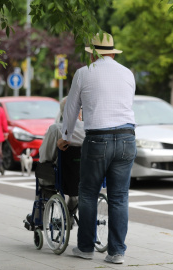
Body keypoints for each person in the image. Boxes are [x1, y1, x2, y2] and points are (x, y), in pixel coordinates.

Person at [57, 32, 136, 264]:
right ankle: (117, 252)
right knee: (120, 197)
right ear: (112, 52)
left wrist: (65, 137)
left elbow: (71, 109)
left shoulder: (83, 73)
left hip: (97, 139)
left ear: (93, 54)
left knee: (88, 192)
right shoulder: (127, 73)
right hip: (127, 137)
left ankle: (85, 248)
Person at [26, 96, 85, 227]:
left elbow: (45, 156)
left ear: (63, 112)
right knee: (76, 189)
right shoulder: (89, 130)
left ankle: (38, 219)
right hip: (86, 176)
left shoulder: (56, 129)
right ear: (79, 112)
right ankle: (69, 215)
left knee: (43, 180)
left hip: (62, 177)